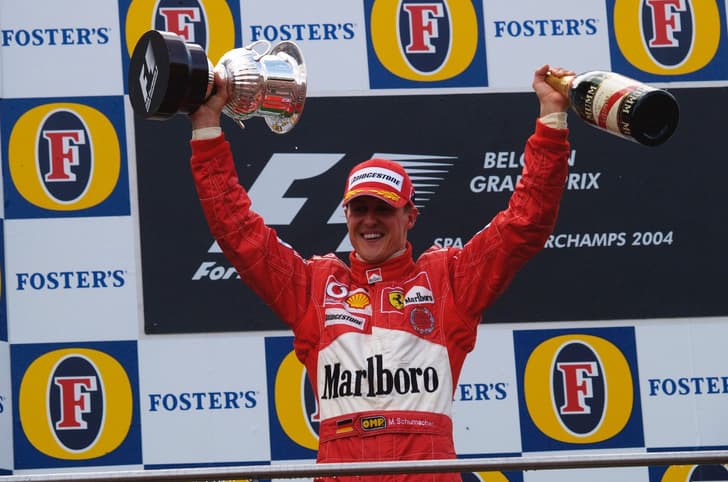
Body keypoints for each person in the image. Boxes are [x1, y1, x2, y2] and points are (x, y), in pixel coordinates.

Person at [187, 65, 573, 481]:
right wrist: (207, 126)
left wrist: (551, 119)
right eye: (360, 208)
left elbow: (525, 223)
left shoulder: (448, 281)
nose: (370, 220)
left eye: (384, 209)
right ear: (346, 215)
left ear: (410, 216)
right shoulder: (314, 288)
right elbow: (237, 231)